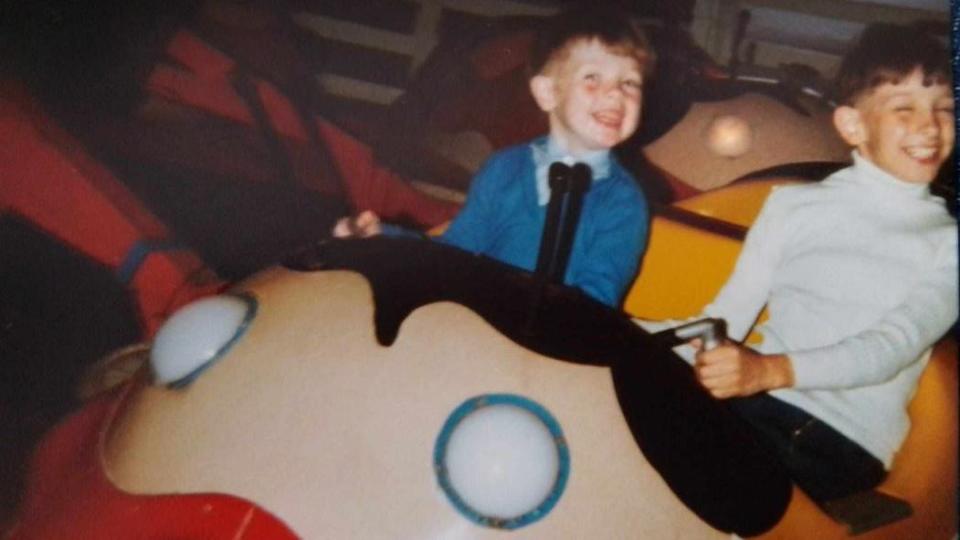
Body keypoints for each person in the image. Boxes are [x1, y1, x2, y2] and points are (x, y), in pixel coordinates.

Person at [641, 23, 957, 504]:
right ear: (852, 126)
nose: (930, 126)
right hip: (754, 402)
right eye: (905, 109)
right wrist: (624, 335)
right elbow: (722, 321)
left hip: (838, 436)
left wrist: (765, 373)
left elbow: (890, 347)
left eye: (944, 109)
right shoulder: (792, 207)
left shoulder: (948, 243)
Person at [333, 5, 653, 307]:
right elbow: (455, 255)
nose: (615, 93)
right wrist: (383, 241)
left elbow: (596, 303)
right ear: (547, 92)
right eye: (593, 78)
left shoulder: (624, 201)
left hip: (555, 349)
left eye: (629, 82)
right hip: (482, 330)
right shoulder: (504, 168)